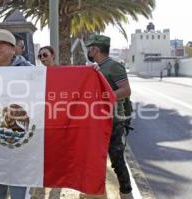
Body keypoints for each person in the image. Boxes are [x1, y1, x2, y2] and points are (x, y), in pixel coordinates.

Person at [0, 29, 33, 199]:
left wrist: (87, 72)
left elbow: (53, 82)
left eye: (0, 45)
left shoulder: (29, 70)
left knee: (20, 192)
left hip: (22, 141)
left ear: (13, 49)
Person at [86, 34, 133, 199]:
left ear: (96, 49)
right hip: (97, 120)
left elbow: (126, 90)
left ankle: (126, 193)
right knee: (94, 158)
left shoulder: (113, 66)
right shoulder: (96, 67)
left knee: (117, 160)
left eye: (89, 48)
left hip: (113, 121)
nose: (88, 51)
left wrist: (105, 96)